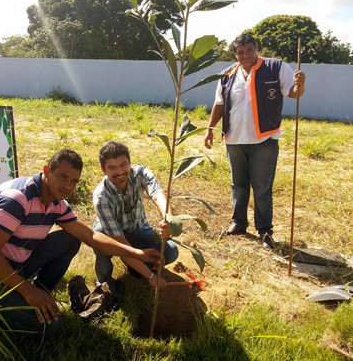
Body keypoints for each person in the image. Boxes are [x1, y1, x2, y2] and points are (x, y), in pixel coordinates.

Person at [0, 149, 162, 338]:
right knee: (51, 326)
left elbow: (90, 236)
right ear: (47, 171)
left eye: (74, 181)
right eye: (63, 177)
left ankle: (39, 295)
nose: (68, 186)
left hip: (13, 265)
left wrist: (137, 253)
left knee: (70, 238)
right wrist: (28, 292)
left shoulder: (57, 203)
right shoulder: (18, 199)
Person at [203, 33, 306, 249]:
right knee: (238, 185)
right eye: (240, 51)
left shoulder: (275, 67)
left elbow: (293, 93)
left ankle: (265, 231)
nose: (245, 55)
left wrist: (300, 85)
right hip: (234, 139)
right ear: (235, 54)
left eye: (249, 49)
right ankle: (238, 222)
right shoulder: (227, 74)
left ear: (256, 49)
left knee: (262, 188)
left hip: (264, 139)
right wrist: (210, 129)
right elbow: (219, 104)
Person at [92, 141, 179, 289]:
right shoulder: (102, 198)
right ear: (103, 170)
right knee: (99, 237)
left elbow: (159, 196)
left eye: (123, 164)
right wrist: (151, 277)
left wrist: (168, 219)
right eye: (112, 167)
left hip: (138, 229)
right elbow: (121, 246)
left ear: (130, 162)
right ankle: (105, 281)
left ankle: (136, 268)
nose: (120, 172)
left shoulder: (141, 173)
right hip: (113, 234)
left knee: (170, 252)